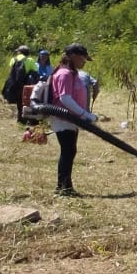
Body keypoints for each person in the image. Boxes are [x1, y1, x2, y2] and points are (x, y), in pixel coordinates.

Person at [48, 43, 96, 196]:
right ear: (74, 56)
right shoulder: (64, 74)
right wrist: (85, 114)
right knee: (68, 151)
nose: (84, 62)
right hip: (63, 117)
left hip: (71, 119)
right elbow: (65, 98)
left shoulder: (71, 73)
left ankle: (66, 186)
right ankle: (63, 187)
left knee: (70, 151)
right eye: (83, 58)